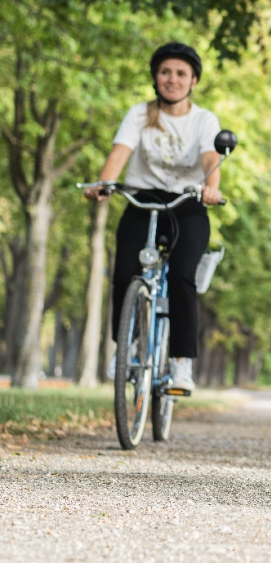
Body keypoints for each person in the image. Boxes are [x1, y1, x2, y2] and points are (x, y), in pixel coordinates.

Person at [84, 42, 223, 392]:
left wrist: (211, 187)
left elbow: (210, 158)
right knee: (123, 274)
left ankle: (181, 365)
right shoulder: (140, 114)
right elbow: (120, 153)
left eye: (180, 73)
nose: (171, 79)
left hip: (187, 204)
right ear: (155, 77)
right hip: (143, 200)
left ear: (193, 81)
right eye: (165, 72)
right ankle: (126, 349)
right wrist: (104, 183)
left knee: (181, 278)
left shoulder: (204, 120)